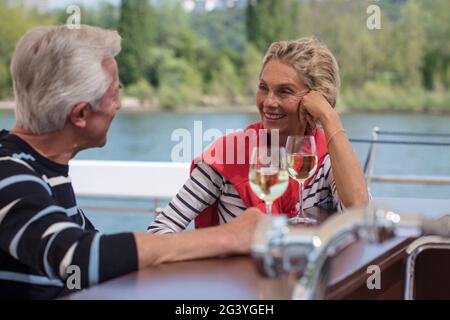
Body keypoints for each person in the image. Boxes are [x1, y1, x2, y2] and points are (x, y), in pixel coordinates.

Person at [0, 25, 264, 300]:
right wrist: (229, 236)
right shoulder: (7, 172)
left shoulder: (41, 170)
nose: (119, 105)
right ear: (80, 113)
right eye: (115, 93)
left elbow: (102, 259)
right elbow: (79, 258)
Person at [148, 37, 369, 234]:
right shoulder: (228, 154)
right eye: (264, 88)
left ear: (315, 100)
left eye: (285, 91)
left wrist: (330, 118)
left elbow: (358, 211)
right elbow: (160, 229)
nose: (268, 102)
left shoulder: (325, 156)